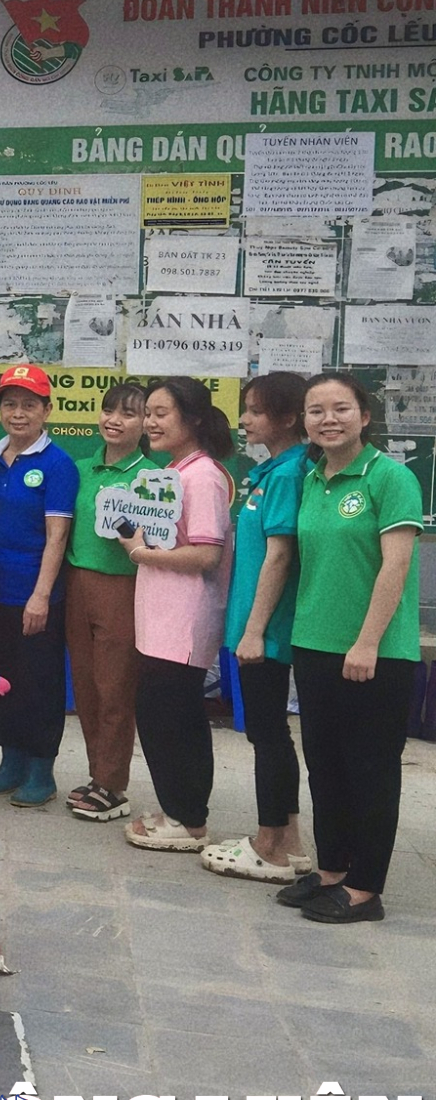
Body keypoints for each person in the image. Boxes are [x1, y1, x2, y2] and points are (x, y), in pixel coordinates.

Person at [275, 372, 422, 924]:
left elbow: (397, 566)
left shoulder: (390, 477)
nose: (328, 419)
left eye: (341, 408)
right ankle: (333, 870)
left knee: (371, 770)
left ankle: (365, 889)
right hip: (314, 645)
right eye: (316, 411)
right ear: (305, 421)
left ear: (365, 415)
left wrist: (367, 642)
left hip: (375, 654)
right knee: (326, 765)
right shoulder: (312, 479)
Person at [202, 371, 311, 880]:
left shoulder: (290, 474)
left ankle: (271, 846)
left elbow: (280, 556)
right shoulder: (273, 471)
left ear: (287, 418)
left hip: (265, 631)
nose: (244, 419)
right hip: (252, 625)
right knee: (268, 733)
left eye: (256, 410)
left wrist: (255, 630)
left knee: (267, 734)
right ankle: (288, 838)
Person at [121, 377, 234, 853]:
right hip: (161, 621)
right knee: (162, 715)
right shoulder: (174, 473)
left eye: (161, 412)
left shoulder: (202, 476)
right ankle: (179, 811)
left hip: (184, 623)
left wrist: (140, 554)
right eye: (148, 412)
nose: (150, 421)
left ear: (194, 420)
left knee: (173, 719)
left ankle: (189, 820)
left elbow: (206, 554)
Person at [0, 364, 77, 808]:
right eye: (10, 404)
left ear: (47, 410)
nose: (18, 414)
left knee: (39, 681)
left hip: (36, 593)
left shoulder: (58, 465)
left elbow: (57, 537)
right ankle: (10, 758)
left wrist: (41, 595)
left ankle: (41, 768)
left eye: (29, 405)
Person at [63, 382, 149, 824]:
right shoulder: (80, 469)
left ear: (146, 424)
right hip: (77, 581)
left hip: (124, 586)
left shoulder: (153, 479)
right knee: (86, 684)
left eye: (129, 414)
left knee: (115, 686)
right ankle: (98, 775)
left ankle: (114, 784)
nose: (114, 420)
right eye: (108, 410)